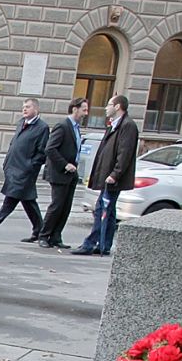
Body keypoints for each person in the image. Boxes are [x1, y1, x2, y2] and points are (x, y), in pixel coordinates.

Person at [73, 94, 139, 257]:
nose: (105, 108)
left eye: (109, 104)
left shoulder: (127, 126)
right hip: (107, 175)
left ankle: (90, 244)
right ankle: (104, 244)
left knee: (102, 209)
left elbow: (125, 153)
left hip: (113, 178)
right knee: (107, 211)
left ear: (118, 107)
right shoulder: (114, 125)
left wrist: (115, 174)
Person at [0, 98, 48, 243]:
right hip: (13, 168)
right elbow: (14, 143)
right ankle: (40, 231)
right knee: (28, 202)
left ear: (36, 109)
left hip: (25, 171)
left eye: (27, 107)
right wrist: (7, 163)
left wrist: (31, 166)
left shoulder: (42, 127)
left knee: (9, 202)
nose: (24, 109)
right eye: (23, 107)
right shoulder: (21, 123)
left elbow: (42, 152)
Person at [38, 97, 88, 249]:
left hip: (71, 174)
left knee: (66, 206)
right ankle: (44, 235)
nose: (86, 113)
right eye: (84, 110)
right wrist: (65, 165)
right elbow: (50, 148)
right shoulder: (63, 125)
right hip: (60, 173)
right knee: (57, 205)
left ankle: (56, 236)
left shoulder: (76, 128)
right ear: (75, 109)